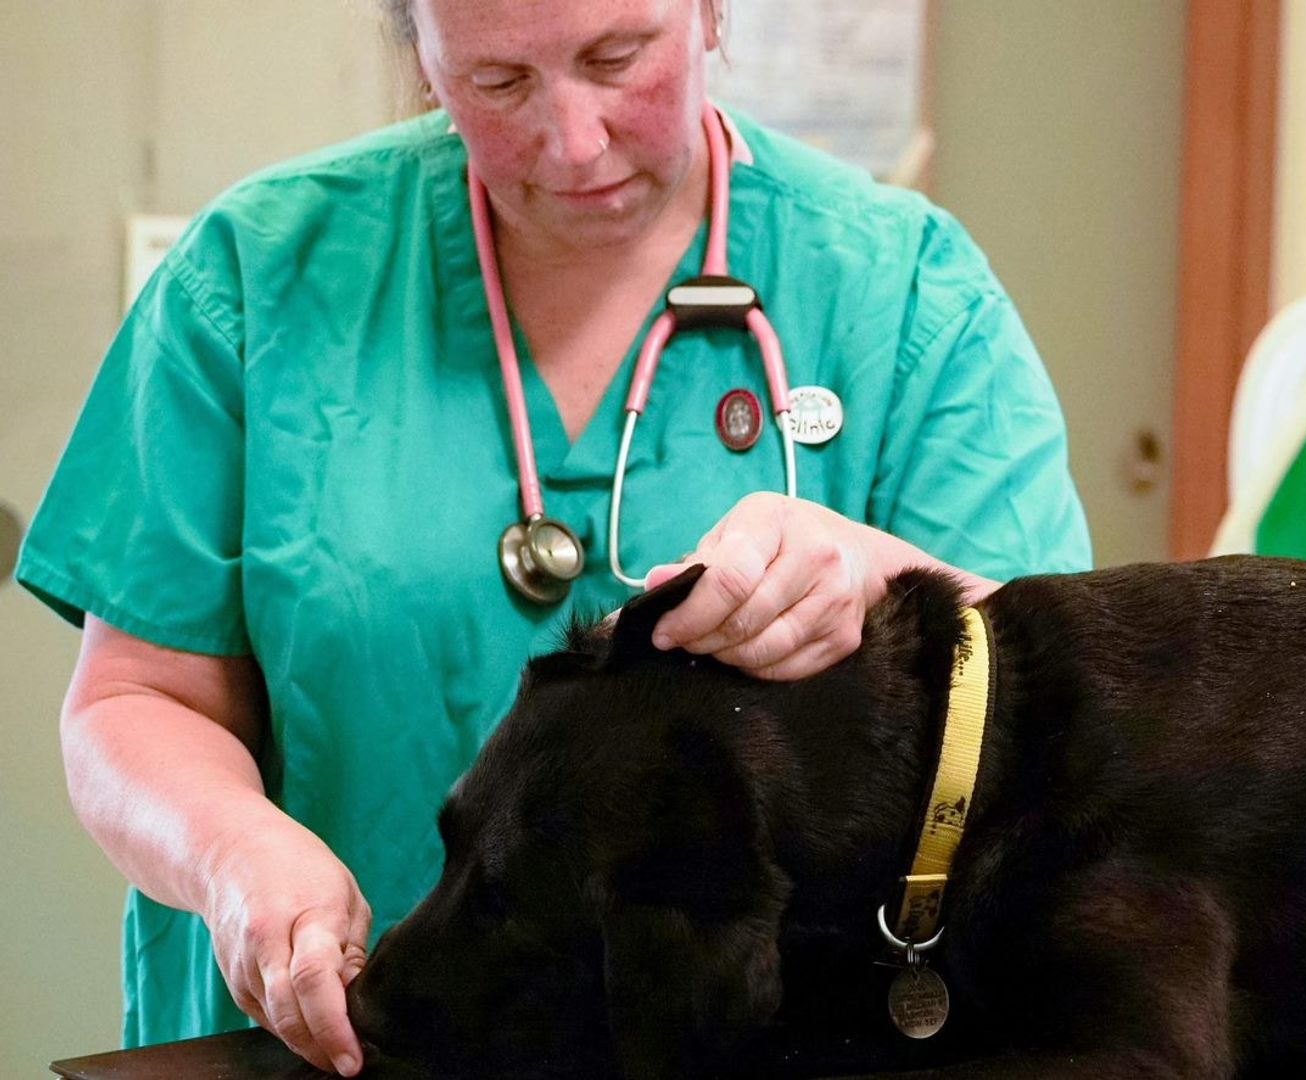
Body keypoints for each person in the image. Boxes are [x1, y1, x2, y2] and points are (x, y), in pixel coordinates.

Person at [18, 0, 1090, 1074]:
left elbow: (1058, 719)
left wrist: (879, 571)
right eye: (498, 83)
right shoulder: (256, 277)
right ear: (423, 58)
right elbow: (133, 700)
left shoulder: (904, 296)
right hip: (333, 1044)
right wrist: (231, 855)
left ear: (712, 13)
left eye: (617, 58)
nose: (575, 142)